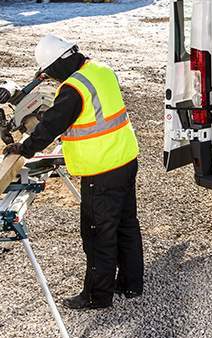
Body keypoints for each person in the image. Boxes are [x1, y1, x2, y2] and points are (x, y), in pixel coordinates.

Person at [3, 34, 143, 309]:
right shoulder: (100, 70)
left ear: (57, 64)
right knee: (126, 224)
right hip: (125, 158)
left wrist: (25, 148)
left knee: (98, 234)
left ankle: (96, 296)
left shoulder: (73, 89)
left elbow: (51, 125)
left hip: (101, 169)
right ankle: (131, 284)